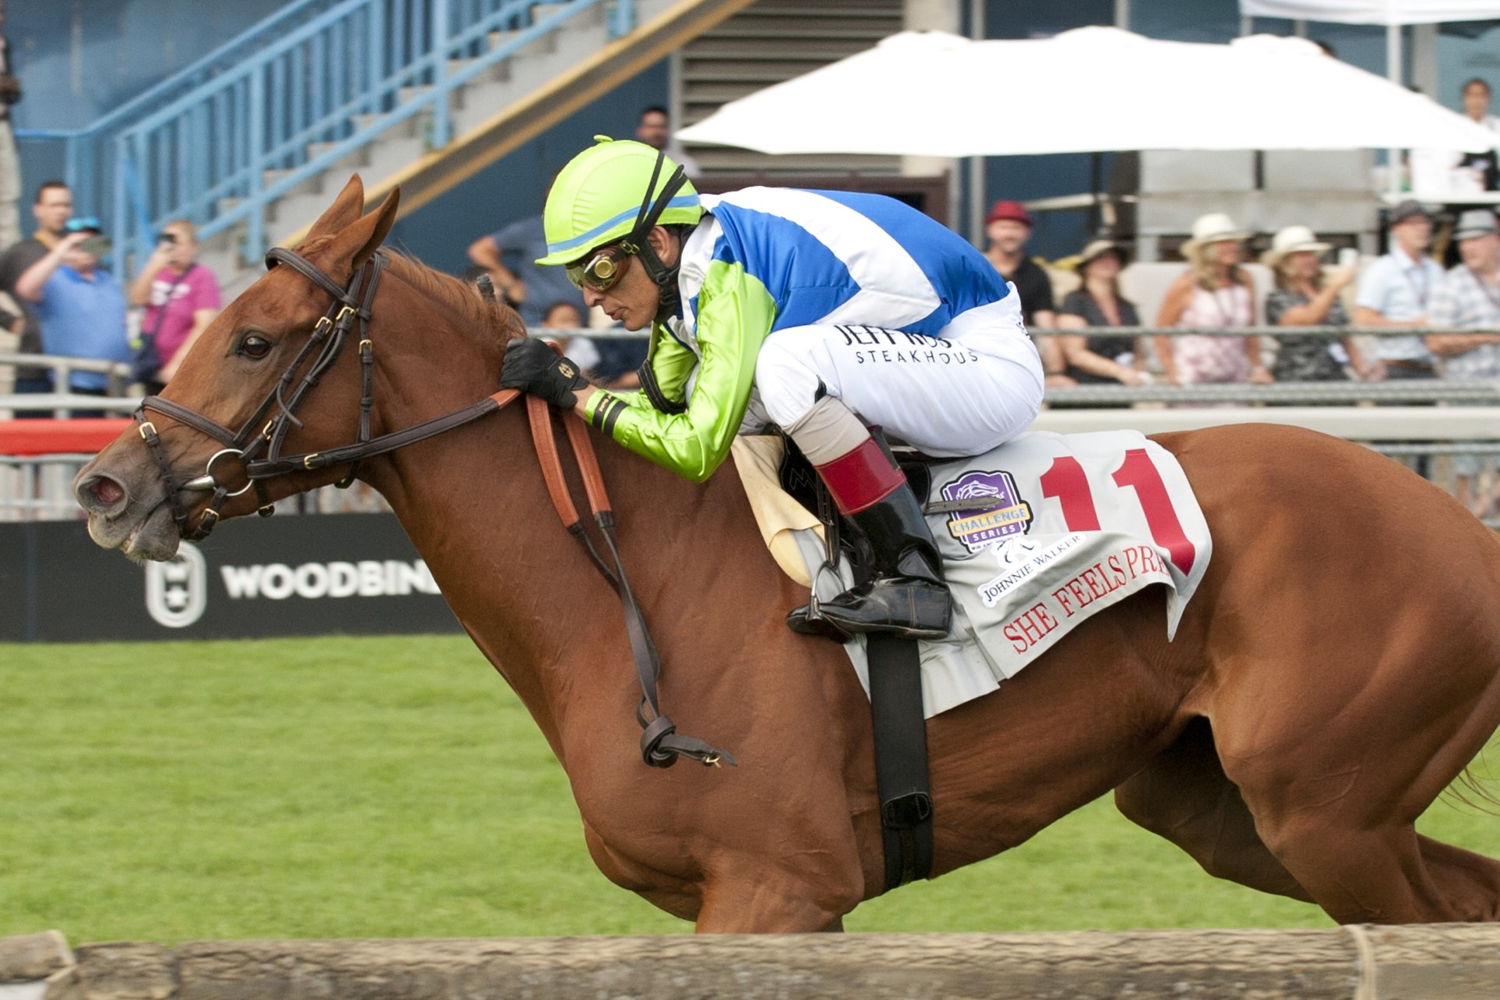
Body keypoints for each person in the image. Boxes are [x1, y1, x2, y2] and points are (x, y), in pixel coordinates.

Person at [500, 137, 1043, 641]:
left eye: (599, 270)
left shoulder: (727, 274)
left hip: (987, 368)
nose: (592, 296)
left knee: (785, 364)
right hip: (934, 359)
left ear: (658, 243)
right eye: (577, 278)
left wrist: (578, 393)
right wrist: (562, 394)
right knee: (731, 387)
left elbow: (694, 449)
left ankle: (914, 578)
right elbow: (664, 409)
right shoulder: (690, 274)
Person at [13, 216, 130, 413]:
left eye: (93, 243)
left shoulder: (109, 281)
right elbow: (26, 288)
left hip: (113, 385)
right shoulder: (55, 280)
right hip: (75, 386)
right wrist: (61, 250)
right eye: (79, 244)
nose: (86, 249)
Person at [1426, 209, 1500, 517]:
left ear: (1494, 240)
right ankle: (1470, 522)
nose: (1468, 247)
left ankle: (1485, 515)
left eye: (1475, 240)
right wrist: (1486, 337)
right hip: (1468, 389)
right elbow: (1435, 341)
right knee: (1465, 466)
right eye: (1464, 241)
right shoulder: (1452, 284)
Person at [1153, 213, 1268, 390]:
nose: (1232, 247)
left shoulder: (1245, 280)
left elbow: (1250, 330)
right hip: (1193, 377)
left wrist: (1258, 367)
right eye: (1224, 243)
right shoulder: (1187, 283)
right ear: (1206, 249)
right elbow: (1161, 330)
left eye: (1233, 242)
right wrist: (1171, 370)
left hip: (1234, 375)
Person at [1260, 225, 1371, 386]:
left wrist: (1362, 369)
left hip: (1335, 376)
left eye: (1311, 254)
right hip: (1297, 380)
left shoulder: (1327, 294)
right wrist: (1334, 286)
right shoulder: (1278, 298)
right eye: (1302, 255)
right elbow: (1307, 318)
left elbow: (1344, 336)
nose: (1310, 260)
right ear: (1285, 263)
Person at [126, 219, 221, 393]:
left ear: (192, 247)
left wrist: (178, 363)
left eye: (177, 242)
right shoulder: (160, 272)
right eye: (167, 240)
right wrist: (154, 265)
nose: (171, 247)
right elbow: (137, 299)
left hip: (181, 369)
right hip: (153, 364)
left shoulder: (202, 277)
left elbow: (204, 323)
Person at [1353, 200, 1443, 382]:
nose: (1422, 229)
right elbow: (1363, 320)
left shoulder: (1435, 270)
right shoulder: (1382, 270)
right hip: (1394, 367)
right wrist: (1413, 325)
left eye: (1425, 222)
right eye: (1414, 223)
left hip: (1428, 367)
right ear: (1396, 229)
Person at [982, 199, 1068, 387]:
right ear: (990, 230)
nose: (1010, 234)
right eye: (1004, 227)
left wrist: (1055, 372)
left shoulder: (1036, 274)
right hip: (977, 357)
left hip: (1020, 359)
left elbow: (1045, 327)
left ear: (1027, 233)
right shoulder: (974, 268)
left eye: (1016, 228)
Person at [0, 180, 72, 403]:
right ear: (37, 209)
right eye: (53, 205)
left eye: (66, 205)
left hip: (77, 369)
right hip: (34, 365)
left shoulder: (81, 251)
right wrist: (10, 321)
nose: (61, 211)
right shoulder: (21, 253)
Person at [466, 213, 587, 329]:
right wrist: (510, 284)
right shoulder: (533, 228)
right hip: (537, 323)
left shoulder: (585, 227)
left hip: (584, 323)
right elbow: (480, 250)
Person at [1055, 239, 1147, 388]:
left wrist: (1139, 374)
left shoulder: (1127, 307)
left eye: (1113, 258)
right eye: (1100, 258)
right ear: (1086, 266)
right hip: (1083, 389)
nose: (1108, 262)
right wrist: (1121, 372)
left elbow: (1138, 353)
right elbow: (1075, 354)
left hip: (1122, 390)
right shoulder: (1075, 301)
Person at [0, 2, 22, 251]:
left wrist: (11, 88)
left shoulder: (4, 45)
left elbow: (13, 93)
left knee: (8, 194)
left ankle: (8, 261)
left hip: (3, 123)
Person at [1456, 78, 1500, 192]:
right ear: (1464, 99)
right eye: (1472, 95)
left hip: (1490, 194)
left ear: (1488, 99)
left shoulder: (1496, 126)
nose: (1476, 100)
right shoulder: (1454, 126)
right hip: (1459, 195)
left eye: (1481, 95)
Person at [635, 105, 701, 179]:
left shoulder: (685, 165)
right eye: (651, 126)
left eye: (661, 127)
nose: (656, 132)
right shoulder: (631, 162)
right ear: (640, 130)